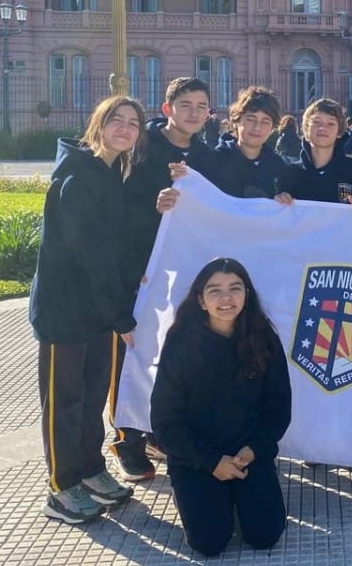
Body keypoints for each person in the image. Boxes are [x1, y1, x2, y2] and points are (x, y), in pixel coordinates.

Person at [29, 95, 145, 523]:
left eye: (133, 124)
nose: (125, 128)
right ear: (98, 123)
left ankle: (90, 468)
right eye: (117, 119)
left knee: (93, 394)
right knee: (65, 401)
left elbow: (118, 247)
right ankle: (62, 486)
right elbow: (91, 254)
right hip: (65, 312)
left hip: (96, 311)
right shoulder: (77, 178)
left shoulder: (112, 174)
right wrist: (122, 314)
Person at [151, 258, 291, 557]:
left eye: (235, 289)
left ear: (247, 295)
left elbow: (278, 408)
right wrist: (212, 462)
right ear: (201, 300)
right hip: (196, 456)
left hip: (247, 454)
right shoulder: (181, 343)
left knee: (266, 534)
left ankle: (244, 493)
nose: (226, 298)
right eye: (215, 291)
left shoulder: (264, 339)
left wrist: (255, 449)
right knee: (210, 543)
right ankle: (203, 494)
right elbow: (164, 422)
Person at [118, 77, 214, 482]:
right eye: (185, 104)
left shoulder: (209, 155)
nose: (193, 112)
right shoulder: (143, 148)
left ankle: (160, 429)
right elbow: (120, 203)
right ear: (167, 107)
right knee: (137, 349)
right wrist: (155, 205)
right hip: (144, 267)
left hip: (187, 268)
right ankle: (128, 438)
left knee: (176, 350)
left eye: (201, 106)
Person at [192, 86, 286, 200]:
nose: (257, 127)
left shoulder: (279, 166)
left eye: (265, 122)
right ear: (236, 121)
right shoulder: (214, 162)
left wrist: (285, 200)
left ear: (272, 128)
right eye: (251, 119)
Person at [275, 98, 352, 208]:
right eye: (316, 122)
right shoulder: (289, 173)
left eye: (331, 123)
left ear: (339, 132)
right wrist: (279, 200)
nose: (323, 128)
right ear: (306, 129)